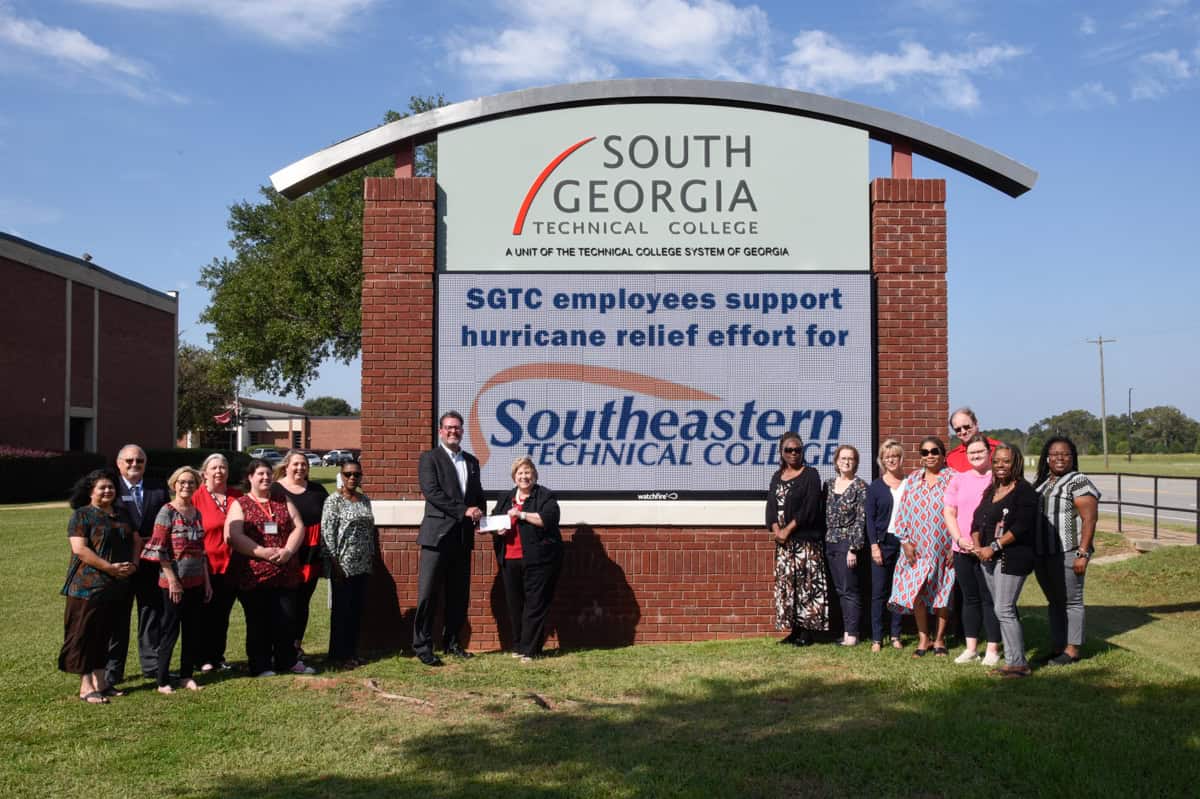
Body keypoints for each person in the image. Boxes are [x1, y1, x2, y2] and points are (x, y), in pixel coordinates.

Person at [225, 458, 313, 676]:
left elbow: (298, 526)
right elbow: (233, 535)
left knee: (286, 619)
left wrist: (289, 551)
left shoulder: (282, 500)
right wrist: (261, 552)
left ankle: (287, 661)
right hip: (255, 574)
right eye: (260, 474)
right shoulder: (241, 504)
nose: (265, 478)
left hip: (285, 571)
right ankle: (261, 664)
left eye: (268, 474)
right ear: (250, 478)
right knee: (258, 622)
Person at [413, 411, 486, 667]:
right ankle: (422, 646)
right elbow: (432, 493)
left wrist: (483, 518)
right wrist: (463, 510)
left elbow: (477, 496)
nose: (453, 431)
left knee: (458, 594)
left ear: (462, 431)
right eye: (449, 428)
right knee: (428, 593)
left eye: (457, 428)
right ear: (440, 431)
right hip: (437, 537)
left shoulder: (472, 462)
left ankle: (452, 642)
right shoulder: (429, 458)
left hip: (463, 538)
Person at [59, 470, 137, 704]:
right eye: (102, 487)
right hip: (88, 587)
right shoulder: (82, 515)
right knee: (86, 634)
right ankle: (86, 686)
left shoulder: (121, 514)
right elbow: (80, 550)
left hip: (117, 587)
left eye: (111, 487)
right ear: (91, 491)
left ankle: (102, 682)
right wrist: (110, 568)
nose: (107, 491)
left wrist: (133, 564)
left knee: (106, 634)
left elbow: (136, 540)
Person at [970, 443, 1038, 678]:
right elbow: (978, 519)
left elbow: (1022, 526)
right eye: (997, 461)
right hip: (987, 558)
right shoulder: (992, 490)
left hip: (1012, 557)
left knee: (1004, 608)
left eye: (1006, 461)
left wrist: (994, 546)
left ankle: (1018, 663)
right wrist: (978, 544)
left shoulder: (1024, 491)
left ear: (1015, 463)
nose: (1000, 465)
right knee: (1003, 609)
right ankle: (1013, 659)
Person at [140, 466, 211, 693]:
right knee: (170, 631)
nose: (186, 486)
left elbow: (202, 551)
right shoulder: (167, 511)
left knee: (193, 630)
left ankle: (186, 675)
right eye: (182, 482)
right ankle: (162, 680)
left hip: (197, 581)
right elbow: (159, 549)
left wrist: (207, 582)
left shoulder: (196, 513)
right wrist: (172, 580)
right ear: (174, 484)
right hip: (173, 583)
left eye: (191, 482)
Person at [1033, 436, 1100, 666]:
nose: (1060, 458)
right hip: (1043, 553)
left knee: (1072, 601)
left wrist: (1083, 553)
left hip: (1068, 551)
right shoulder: (1044, 482)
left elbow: (1089, 519)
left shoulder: (1078, 481)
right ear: (1047, 458)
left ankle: (1072, 650)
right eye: (1054, 454)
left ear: (1073, 457)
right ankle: (1057, 647)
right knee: (1054, 601)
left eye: (1066, 454)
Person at [106, 444, 170, 687]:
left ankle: (151, 666)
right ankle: (113, 670)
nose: (134, 465)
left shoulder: (157, 488)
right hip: (120, 563)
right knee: (118, 617)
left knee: (151, 613)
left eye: (139, 461)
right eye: (129, 461)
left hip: (151, 562)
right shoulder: (110, 488)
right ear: (119, 463)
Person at [491, 456, 564, 662]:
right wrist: (497, 529)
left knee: (535, 605)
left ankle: (530, 650)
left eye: (528, 472)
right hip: (510, 558)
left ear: (534, 475)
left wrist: (521, 515)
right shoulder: (505, 497)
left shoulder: (545, 496)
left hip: (539, 560)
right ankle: (519, 645)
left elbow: (548, 519)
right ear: (514, 477)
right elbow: (495, 520)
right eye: (520, 473)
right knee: (515, 605)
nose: (524, 477)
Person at [889, 436, 955, 658]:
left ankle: (939, 640)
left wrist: (954, 545)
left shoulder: (952, 479)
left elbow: (961, 513)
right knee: (917, 594)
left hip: (943, 548)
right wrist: (905, 542)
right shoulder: (913, 479)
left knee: (942, 595)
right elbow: (902, 513)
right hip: (917, 550)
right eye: (924, 452)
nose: (929, 456)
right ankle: (923, 638)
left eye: (934, 451)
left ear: (943, 454)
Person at [943, 434, 1002, 666]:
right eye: (971, 453)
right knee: (970, 599)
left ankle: (993, 649)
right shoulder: (959, 479)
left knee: (990, 599)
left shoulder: (997, 479)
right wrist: (958, 538)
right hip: (963, 549)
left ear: (989, 453)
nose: (976, 456)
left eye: (980, 452)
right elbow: (949, 512)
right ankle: (971, 648)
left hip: (989, 550)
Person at [765, 431, 827, 646]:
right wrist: (776, 530)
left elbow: (809, 508)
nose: (793, 453)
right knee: (788, 587)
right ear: (781, 452)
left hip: (805, 543)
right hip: (784, 545)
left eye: (797, 450)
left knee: (806, 587)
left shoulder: (810, 474)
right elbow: (771, 507)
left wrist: (788, 529)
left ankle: (807, 633)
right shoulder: (777, 476)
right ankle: (793, 630)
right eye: (788, 450)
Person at [272, 449, 329, 660]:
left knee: (303, 601)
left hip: (311, 555)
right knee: (284, 601)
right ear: (286, 466)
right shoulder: (275, 489)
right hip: (284, 552)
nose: (300, 468)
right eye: (295, 464)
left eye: (304, 464)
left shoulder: (317, 490)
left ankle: (296, 644)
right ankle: (279, 645)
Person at [321, 459, 376, 667]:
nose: (352, 478)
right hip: (342, 565)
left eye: (356, 474)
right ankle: (338, 655)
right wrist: (335, 565)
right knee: (341, 612)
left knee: (356, 611)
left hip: (363, 565)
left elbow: (370, 532)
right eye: (348, 474)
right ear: (341, 476)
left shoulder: (364, 500)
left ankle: (352, 652)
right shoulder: (333, 501)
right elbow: (327, 535)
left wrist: (371, 558)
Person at [193, 453, 241, 672]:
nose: (219, 471)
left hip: (231, 566)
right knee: (203, 614)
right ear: (204, 473)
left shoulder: (236, 496)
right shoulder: (196, 497)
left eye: (223, 468)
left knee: (222, 614)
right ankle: (201, 657)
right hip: (205, 566)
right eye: (214, 468)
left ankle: (217, 656)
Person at [823, 445, 867, 647]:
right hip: (830, 541)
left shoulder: (860, 486)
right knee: (839, 590)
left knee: (850, 589)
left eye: (850, 458)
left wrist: (853, 548)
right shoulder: (829, 484)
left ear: (856, 463)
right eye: (843, 458)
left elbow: (861, 519)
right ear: (836, 461)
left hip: (847, 543)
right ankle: (843, 630)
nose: (846, 462)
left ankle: (852, 634)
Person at [865, 440, 906, 652]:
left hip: (904, 543)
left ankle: (896, 635)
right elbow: (870, 520)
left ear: (901, 459)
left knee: (899, 592)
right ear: (882, 460)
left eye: (895, 456)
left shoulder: (910, 484)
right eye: (887, 456)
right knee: (879, 593)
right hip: (883, 543)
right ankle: (877, 638)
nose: (891, 459)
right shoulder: (876, 487)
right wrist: (874, 546)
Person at [945, 407, 1000, 473]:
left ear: (976, 424)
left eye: (966, 427)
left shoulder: (998, 449)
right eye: (958, 430)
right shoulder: (952, 458)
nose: (963, 432)